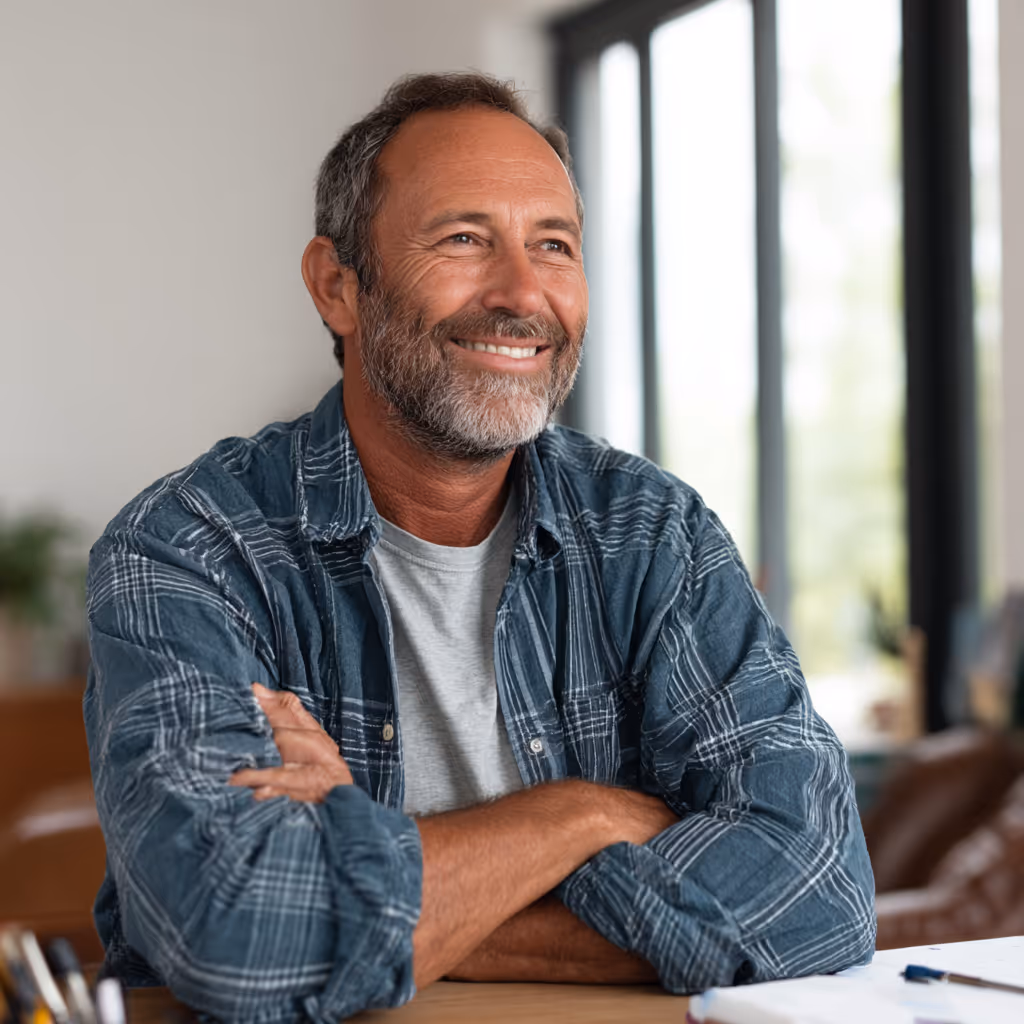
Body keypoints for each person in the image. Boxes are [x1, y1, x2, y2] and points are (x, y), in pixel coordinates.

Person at [84, 72, 875, 1022]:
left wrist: (373, 861)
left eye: (554, 245)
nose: (521, 293)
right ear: (338, 286)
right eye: (463, 239)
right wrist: (579, 817)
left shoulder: (652, 535)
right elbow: (241, 939)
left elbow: (820, 891)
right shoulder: (187, 551)